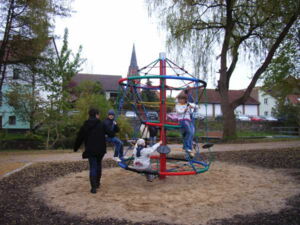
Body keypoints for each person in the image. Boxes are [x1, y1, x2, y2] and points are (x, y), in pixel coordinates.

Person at [73, 108, 110, 194]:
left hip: (90, 150)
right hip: (101, 150)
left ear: (89, 115)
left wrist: (76, 148)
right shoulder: (102, 124)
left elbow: (79, 137)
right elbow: (110, 133)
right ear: (96, 115)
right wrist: (114, 127)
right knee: (98, 165)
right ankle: (97, 183)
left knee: (93, 166)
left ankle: (93, 188)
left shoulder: (85, 125)